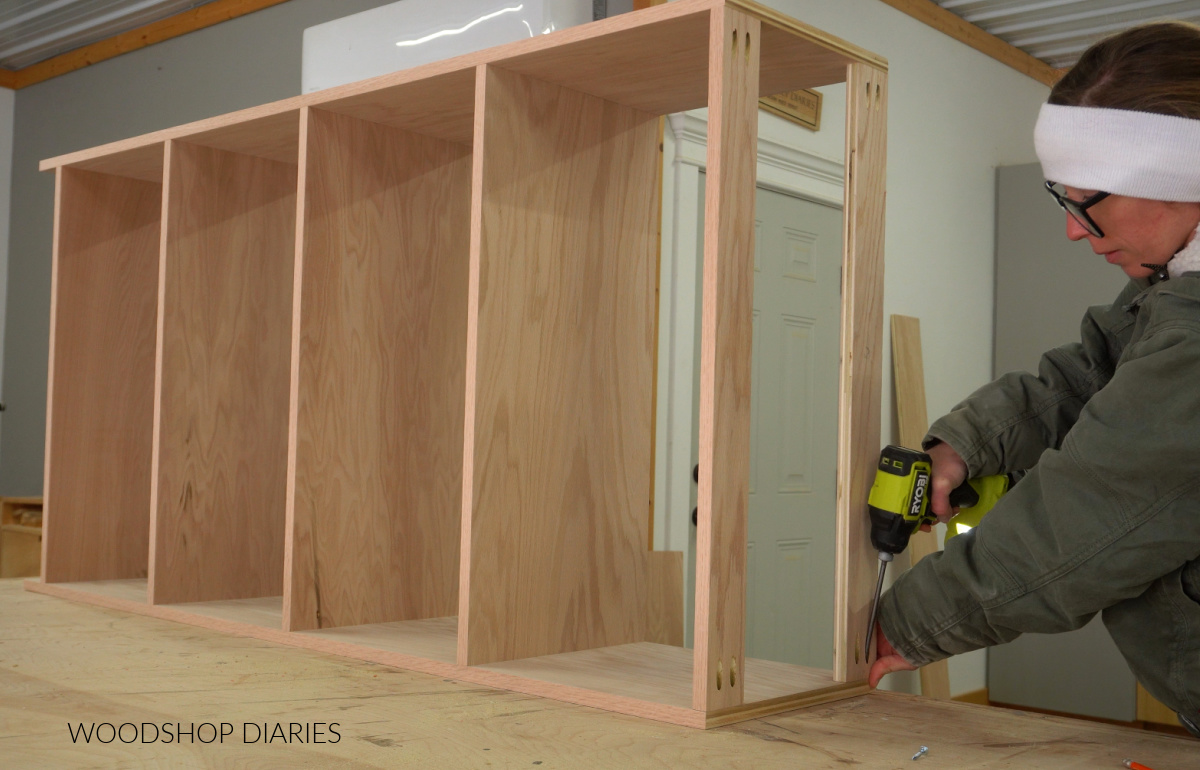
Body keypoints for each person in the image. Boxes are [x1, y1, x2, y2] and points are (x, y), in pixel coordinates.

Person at [868, 21, 1200, 737]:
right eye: (1062, 200)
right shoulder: (1177, 284)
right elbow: (1088, 375)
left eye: (1088, 202)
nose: (1075, 231)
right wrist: (965, 446)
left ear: (1179, 179)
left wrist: (899, 627)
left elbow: (1088, 522)